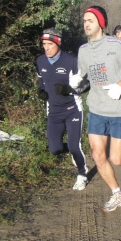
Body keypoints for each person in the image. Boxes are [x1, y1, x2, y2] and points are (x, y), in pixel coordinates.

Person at [70, 6, 121, 212]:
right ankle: (117, 194)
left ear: (100, 23)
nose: (86, 24)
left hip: (119, 110)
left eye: (90, 20)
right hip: (97, 109)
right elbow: (85, 78)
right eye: (84, 20)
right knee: (98, 156)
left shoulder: (116, 45)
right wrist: (77, 81)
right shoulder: (83, 51)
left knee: (117, 159)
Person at [36, 28, 90, 191]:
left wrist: (69, 90)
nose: (46, 48)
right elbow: (41, 81)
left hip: (72, 109)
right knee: (55, 149)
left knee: (74, 145)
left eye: (49, 44)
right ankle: (76, 152)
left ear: (57, 43)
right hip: (53, 112)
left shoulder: (71, 60)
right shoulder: (40, 61)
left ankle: (82, 174)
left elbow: (86, 85)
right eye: (44, 44)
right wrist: (41, 92)